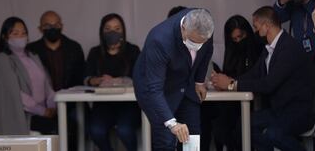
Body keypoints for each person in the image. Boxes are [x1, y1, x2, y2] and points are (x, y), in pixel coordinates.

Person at [212, 6, 315, 151]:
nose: (255, 31)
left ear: (266, 26)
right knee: (244, 125)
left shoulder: (288, 48)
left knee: (273, 134)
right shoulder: (269, 49)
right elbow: (254, 74)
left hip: (297, 111)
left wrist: (232, 85)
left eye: (257, 26)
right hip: (279, 110)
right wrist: (229, 80)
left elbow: (268, 84)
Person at [133, 8, 214, 150]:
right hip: (158, 88)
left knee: (193, 134)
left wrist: (199, 81)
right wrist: (172, 123)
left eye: (201, 42)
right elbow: (154, 89)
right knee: (166, 139)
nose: (197, 47)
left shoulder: (205, 24)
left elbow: (207, 51)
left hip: (186, 83)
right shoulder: (159, 40)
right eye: (193, 41)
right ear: (183, 28)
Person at [0, 17, 56, 135]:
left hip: (44, 112)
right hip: (22, 116)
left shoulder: (33, 56)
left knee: (70, 124)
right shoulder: (1, 60)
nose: (21, 36)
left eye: (24, 33)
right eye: (15, 33)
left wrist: (52, 105)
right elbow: (13, 93)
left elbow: (46, 84)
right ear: (4, 37)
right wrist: (42, 111)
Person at [204, 15, 263, 151]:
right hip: (232, 103)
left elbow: (255, 81)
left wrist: (231, 84)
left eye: (241, 37)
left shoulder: (258, 50)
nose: (238, 42)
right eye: (234, 39)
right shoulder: (232, 53)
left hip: (253, 104)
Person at [27, 10, 85, 149]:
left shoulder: (74, 48)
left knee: (76, 123)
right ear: (40, 29)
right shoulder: (31, 51)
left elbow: (80, 80)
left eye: (56, 24)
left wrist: (65, 102)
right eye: (47, 25)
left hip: (71, 104)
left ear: (62, 26)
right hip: (41, 106)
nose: (52, 28)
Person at [85, 13, 141, 151]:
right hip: (103, 105)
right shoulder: (95, 52)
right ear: (102, 31)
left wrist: (120, 80)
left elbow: (140, 77)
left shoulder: (133, 50)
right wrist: (96, 80)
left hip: (129, 105)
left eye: (117, 28)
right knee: (96, 130)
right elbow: (86, 78)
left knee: (125, 130)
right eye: (108, 28)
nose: (112, 32)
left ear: (123, 31)